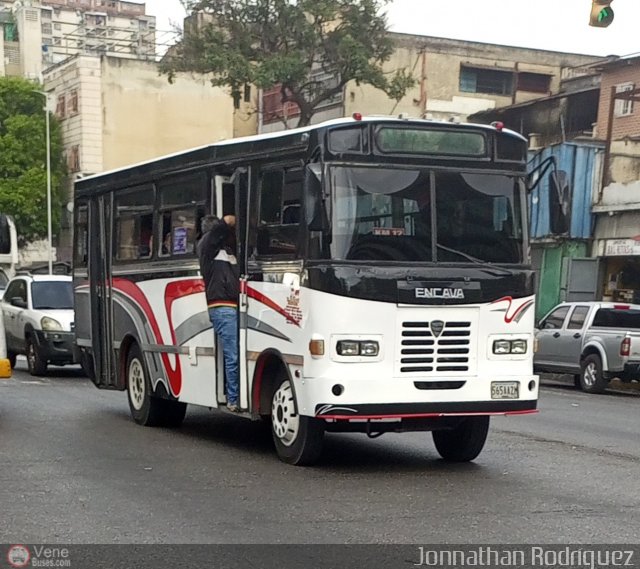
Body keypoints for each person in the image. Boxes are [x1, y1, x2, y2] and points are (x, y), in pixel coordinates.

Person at [197, 214, 240, 412]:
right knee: (232, 355)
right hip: (222, 307)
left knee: (233, 353)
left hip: (231, 306)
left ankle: (233, 394)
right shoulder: (207, 246)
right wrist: (228, 220)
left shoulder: (226, 252)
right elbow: (217, 232)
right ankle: (233, 399)